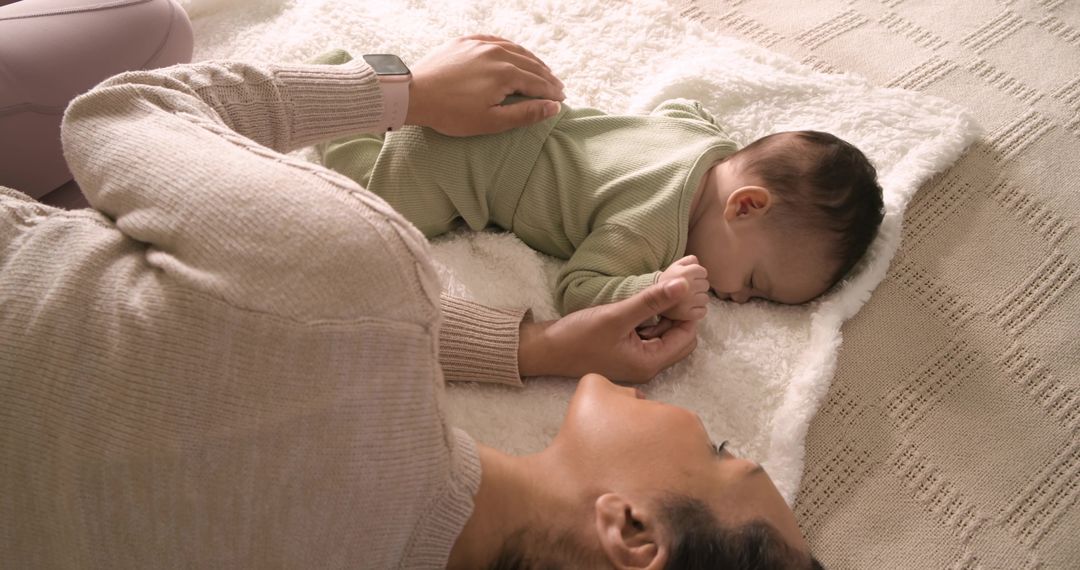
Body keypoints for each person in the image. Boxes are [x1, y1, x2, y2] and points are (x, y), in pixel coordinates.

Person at [0, 2, 823, 568]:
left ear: (632, 529)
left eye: (720, 453)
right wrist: (530, 346)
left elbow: (117, 117)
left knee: (154, 27)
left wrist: (400, 89)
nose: (702, 426)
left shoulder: (361, 275)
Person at [316, 50, 885, 319]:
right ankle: (338, 99)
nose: (739, 297)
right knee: (372, 204)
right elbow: (577, 288)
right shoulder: (653, 230)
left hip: (515, 113)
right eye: (756, 281)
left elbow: (681, 105)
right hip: (458, 168)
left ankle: (380, 78)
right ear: (745, 205)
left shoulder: (704, 142)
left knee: (409, 124)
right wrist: (654, 289)